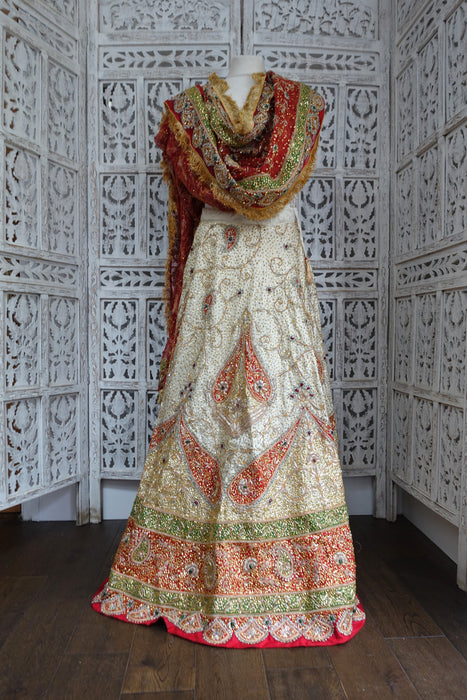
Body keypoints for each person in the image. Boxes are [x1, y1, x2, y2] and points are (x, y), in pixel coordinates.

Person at [92, 55, 366, 647]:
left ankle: (267, 574)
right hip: (258, 261)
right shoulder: (286, 109)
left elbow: (187, 205)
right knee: (213, 399)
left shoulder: (199, 115)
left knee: (273, 401)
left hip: (235, 259)